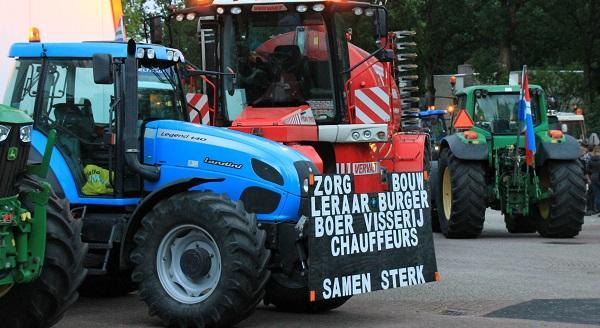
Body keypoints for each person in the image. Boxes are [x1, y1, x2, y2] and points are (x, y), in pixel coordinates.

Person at [587, 145, 600, 215]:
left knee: (597, 194)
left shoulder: (590, 159)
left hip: (593, 177)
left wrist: (589, 179)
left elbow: (587, 171)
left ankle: (598, 209)